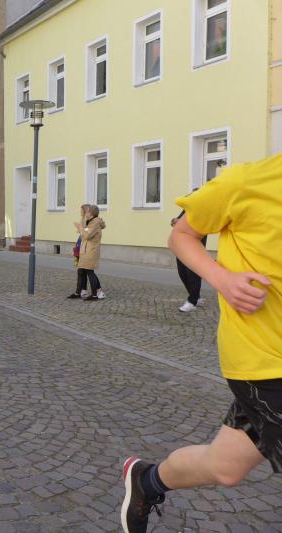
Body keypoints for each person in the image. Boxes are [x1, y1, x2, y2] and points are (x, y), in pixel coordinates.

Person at [121, 155, 280, 533]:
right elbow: (180, 234)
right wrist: (223, 280)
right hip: (264, 359)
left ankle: (147, 482)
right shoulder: (246, 182)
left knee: (225, 467)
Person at [171, 206, 206, 313]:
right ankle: (196, 297)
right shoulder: (188, 208)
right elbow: (178, 220)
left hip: (195, 245)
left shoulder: (203, 208)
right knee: (182, 273)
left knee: (193, 274)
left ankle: (192, 301)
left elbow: (203, 226)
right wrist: (175, 221)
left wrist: (183, 224)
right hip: (182, 244)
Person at [69, 204, 106, 301]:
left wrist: (80, 228)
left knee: (89, 271)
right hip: (85, 249)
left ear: (91, 213)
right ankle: (80, 292)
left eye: (86, 212)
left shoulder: (95, 223)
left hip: (91, 250)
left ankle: (95, 294)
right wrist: (82, 219)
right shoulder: (91, 221)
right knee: (82, 270)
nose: (86, 214)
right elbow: (83, 230)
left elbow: (87, 235)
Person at [67, 204, 92, 299]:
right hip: (80, 245)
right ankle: (82, 291)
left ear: (85, 211)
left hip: (85, 247)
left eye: (81, 210)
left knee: (83, 271)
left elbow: (86, 233)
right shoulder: (83, 220)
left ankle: (80, 292)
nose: (80, 212)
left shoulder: (89, 221)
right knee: (82, 271)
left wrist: (80, 228)